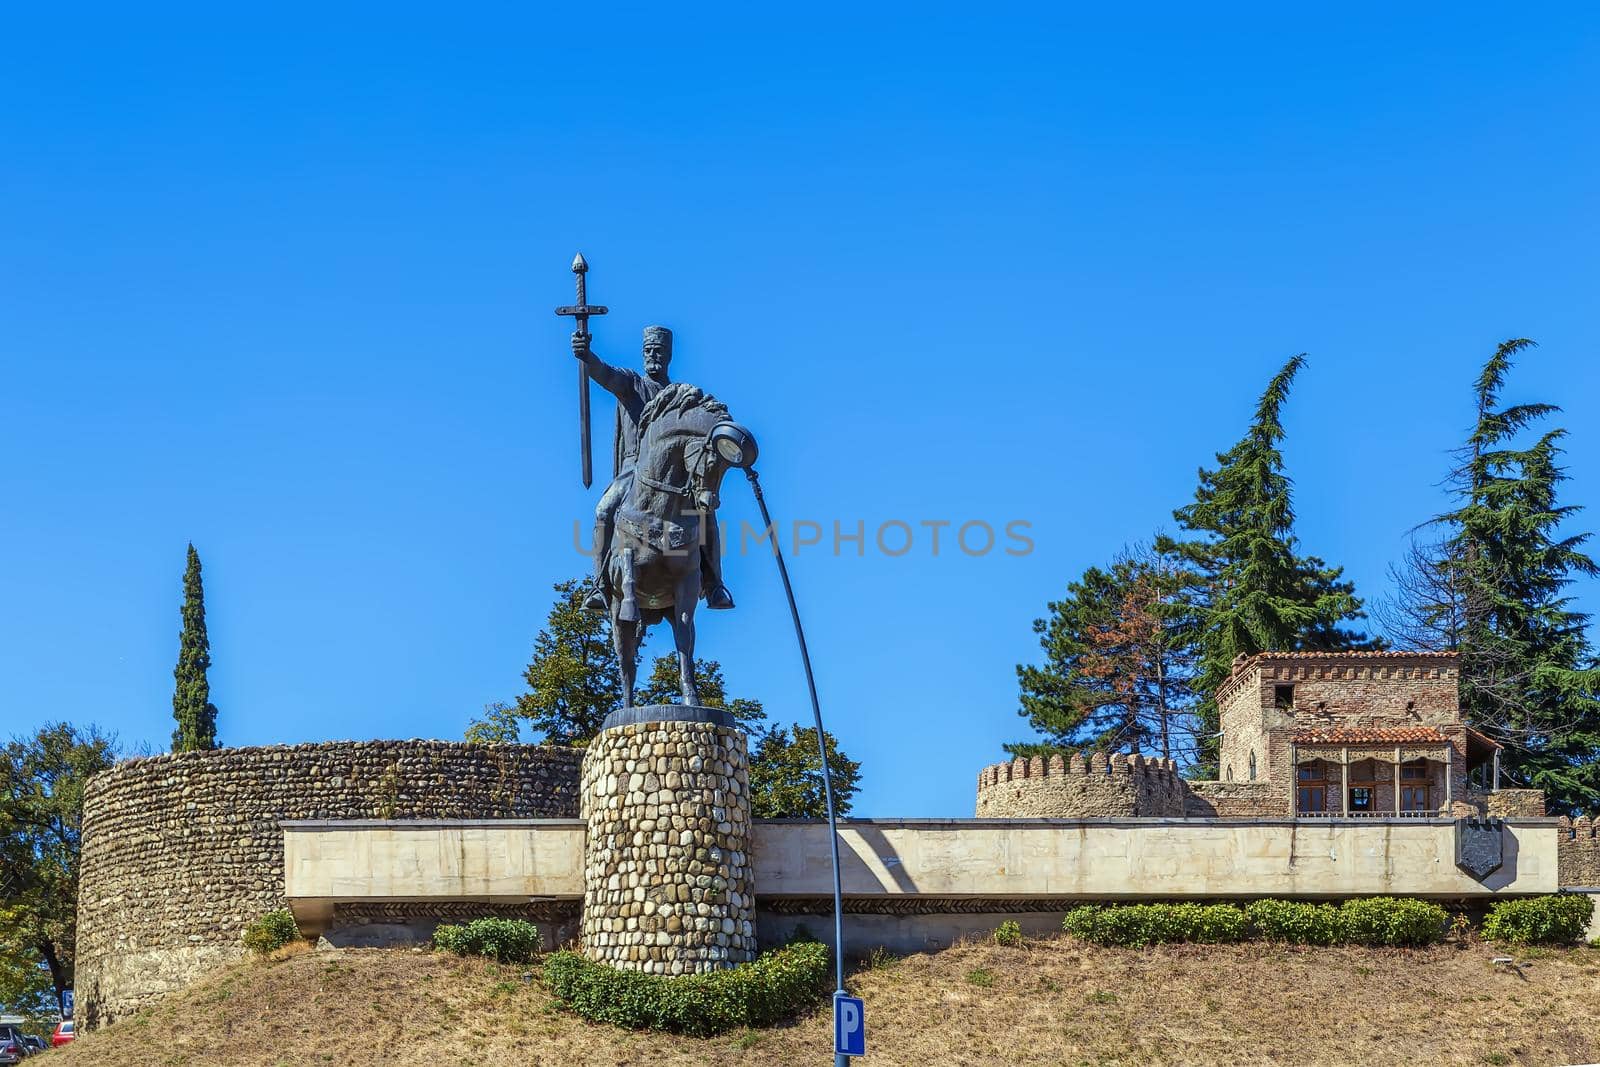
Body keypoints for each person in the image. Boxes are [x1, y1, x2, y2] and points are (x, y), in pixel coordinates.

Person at [573, 324, 734, 611]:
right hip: (633, 472)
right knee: (603, 510)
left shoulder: (679, 397)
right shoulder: (632, 384)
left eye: (658, 351)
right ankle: (599, 584)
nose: (653, 356)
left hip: (674, 480)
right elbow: (605, 374)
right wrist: (587, 356)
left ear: (669, 355)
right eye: (648, 351)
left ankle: (714, 583)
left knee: (707, 514)